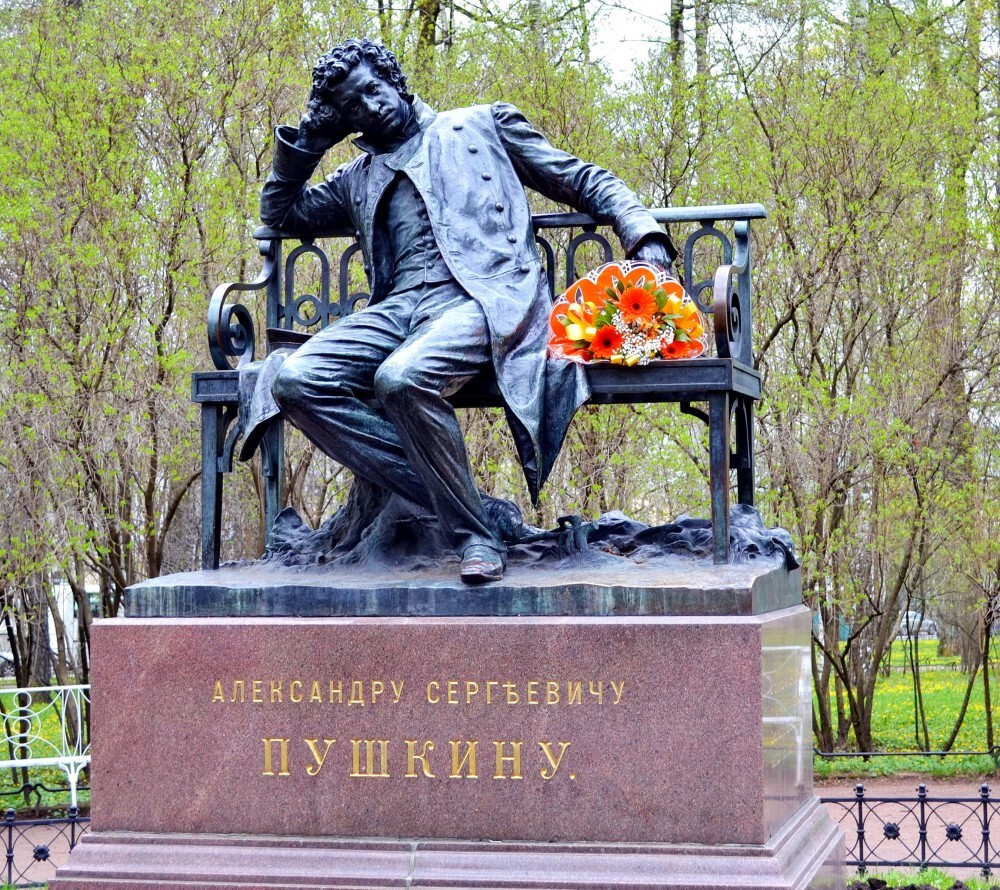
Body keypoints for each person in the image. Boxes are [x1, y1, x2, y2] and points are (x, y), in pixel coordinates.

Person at [262, 38, 676, 584]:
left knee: (403, 379)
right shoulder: (358, 177)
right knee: (294, 381)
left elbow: (579, 177)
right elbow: (281, 212)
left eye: (373, 89)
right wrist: (309, 141)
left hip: (482, 297)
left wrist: (642, 231)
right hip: (398, 308)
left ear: (394, 80)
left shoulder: (481, 126)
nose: (370, 106)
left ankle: (474, 537)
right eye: (353, 105)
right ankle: (472, 506)